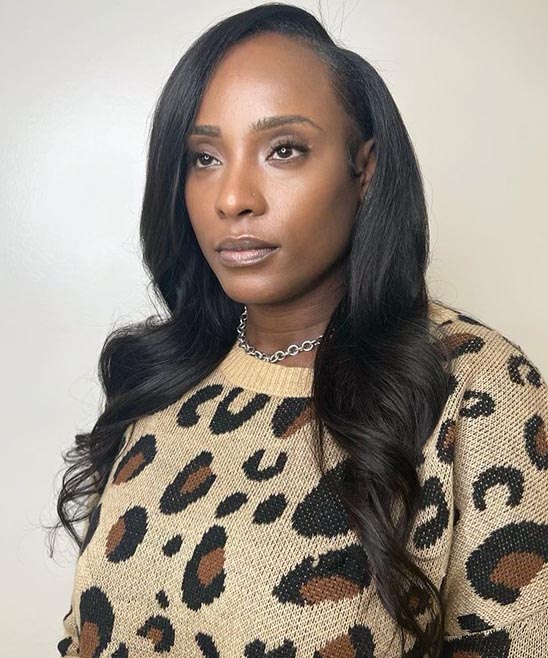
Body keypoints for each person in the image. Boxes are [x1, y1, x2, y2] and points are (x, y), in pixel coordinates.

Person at [53, 3, 548, 657]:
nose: (234, 198)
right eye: (204, 158)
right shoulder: (163, 376)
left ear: (364, 169)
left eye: (283, 150)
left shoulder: (478, 388)